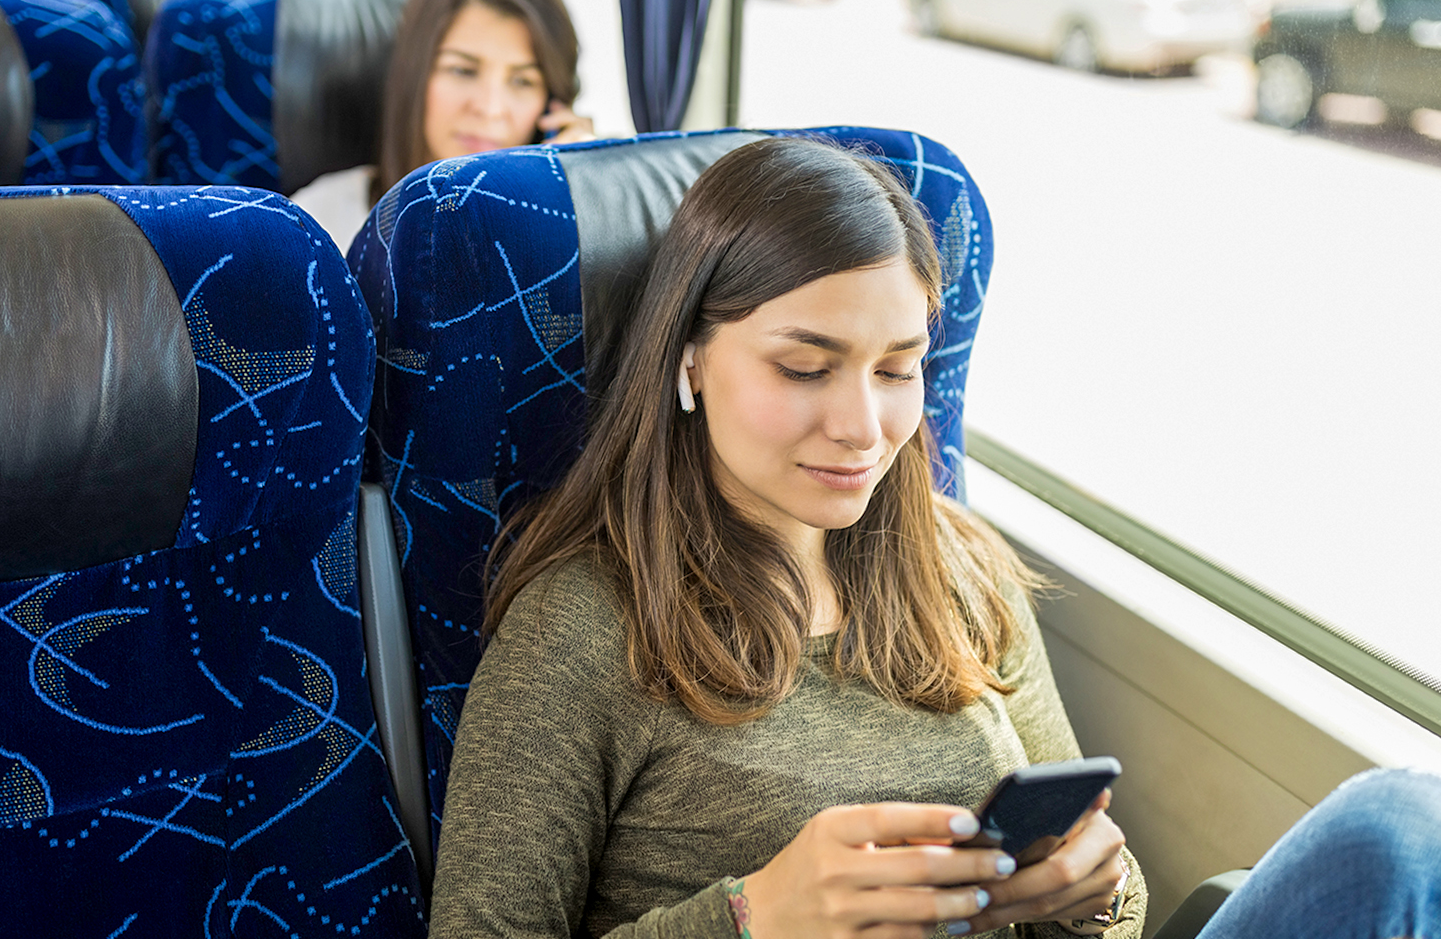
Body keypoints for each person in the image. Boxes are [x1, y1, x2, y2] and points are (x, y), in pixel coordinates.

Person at [425, 137, 1441, 939]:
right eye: (805, 367)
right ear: (690, 361)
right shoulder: (583, 625)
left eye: (896, 367)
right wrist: (755, 920)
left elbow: (1107, 907)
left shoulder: (958, 568)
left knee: (1401, 829)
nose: (864, 429)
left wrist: (1093, 890)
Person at [290, 0, 592, 251]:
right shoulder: (314, 226)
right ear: (413, 74)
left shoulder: (573, 229)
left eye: (523, 81)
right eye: (462, 70)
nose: (490, 108)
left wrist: (584, 202)